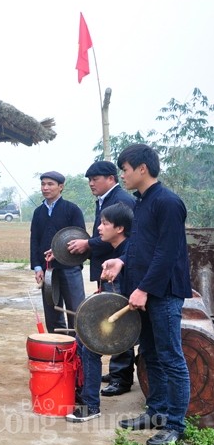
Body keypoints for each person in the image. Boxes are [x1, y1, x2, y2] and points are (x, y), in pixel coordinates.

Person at [102, 143, 191, 445]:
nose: (122, 175)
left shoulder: (167, 202)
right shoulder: (141, 202)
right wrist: (122, 260)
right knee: (150, 355)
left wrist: (143, 289)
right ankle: (156, 412)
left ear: (142, 169)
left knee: (170, 358)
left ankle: (176, 424)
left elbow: (167, 254)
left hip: (163, 293)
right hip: (147, 292)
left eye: (124, 169)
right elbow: (143, 248)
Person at [67, 161, 136, 397]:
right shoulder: (106, 199)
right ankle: (117, 371)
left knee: (118, 321)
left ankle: (121, 376)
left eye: (95, 179)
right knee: (110, 315)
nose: (91, 184)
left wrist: (87, 244)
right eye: (89, 180)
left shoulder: (121, 201)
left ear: (110, 178)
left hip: (118, 268)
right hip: (108, 266)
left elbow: (125, 237)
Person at [66, 203, 132, 423]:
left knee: (89, 344)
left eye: (104, 224)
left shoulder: (127, 253)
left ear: (120, 228)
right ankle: (84, 394)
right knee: (81, 339)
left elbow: (119, 299)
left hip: (129, 320)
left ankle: (90, 405)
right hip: (119, 315)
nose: (100, 229)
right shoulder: (117, 250)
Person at [29, 171, 86, 333]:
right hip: (48, 270)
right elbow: (35, 241)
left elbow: (79, 238)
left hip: (70, 269)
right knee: (52, 312)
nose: (45, 188)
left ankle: (79, 353)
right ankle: (59, 352)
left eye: (50, 184)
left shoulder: (72, 210)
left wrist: (60, 252)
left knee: (76, 311)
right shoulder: (38, 212)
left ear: (61, 187)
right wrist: (38, 267)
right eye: (43, 184)